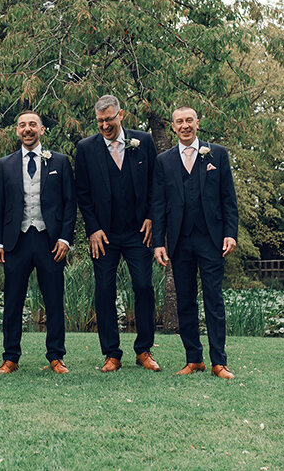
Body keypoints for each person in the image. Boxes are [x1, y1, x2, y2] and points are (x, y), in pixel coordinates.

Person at [152, 106, 238, 380]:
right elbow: (158, 204)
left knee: (214, 299)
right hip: (179, 241)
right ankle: (193, 359)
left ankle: (218, 362)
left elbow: (228, 199)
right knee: (185, 302)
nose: (185, 125)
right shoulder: (164, 160)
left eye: (189, 120)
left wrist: (230, 233)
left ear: (197, 123)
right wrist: (158, 242)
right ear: (174, 126)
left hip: (211, 239)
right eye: (180, 121)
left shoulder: (217, 154)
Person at [74, 95, 159, 372]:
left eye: (109, 119)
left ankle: (144, 350)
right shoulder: (85, 148)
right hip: (104, 235)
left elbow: (155, 185)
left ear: (120, 115)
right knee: (104, 290)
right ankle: (112, 353)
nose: (104, 126)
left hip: (138, 232)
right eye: (99, 121)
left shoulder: (143, 141)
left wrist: (150, 217)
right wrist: (93, 229)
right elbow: (83, 195)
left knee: (144, 286)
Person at [0, 111, 76, 374]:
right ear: (17, 131)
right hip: (16, 241)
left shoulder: (59, 162)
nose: (27, 130)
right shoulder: (5, 164)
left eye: (32, 125)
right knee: (13, 301)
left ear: (41, 129)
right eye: (22, 126)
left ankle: (56, 356)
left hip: (49, 241)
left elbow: (69, 204)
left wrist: (64, 238)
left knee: (53, 300)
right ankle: (10, 357)